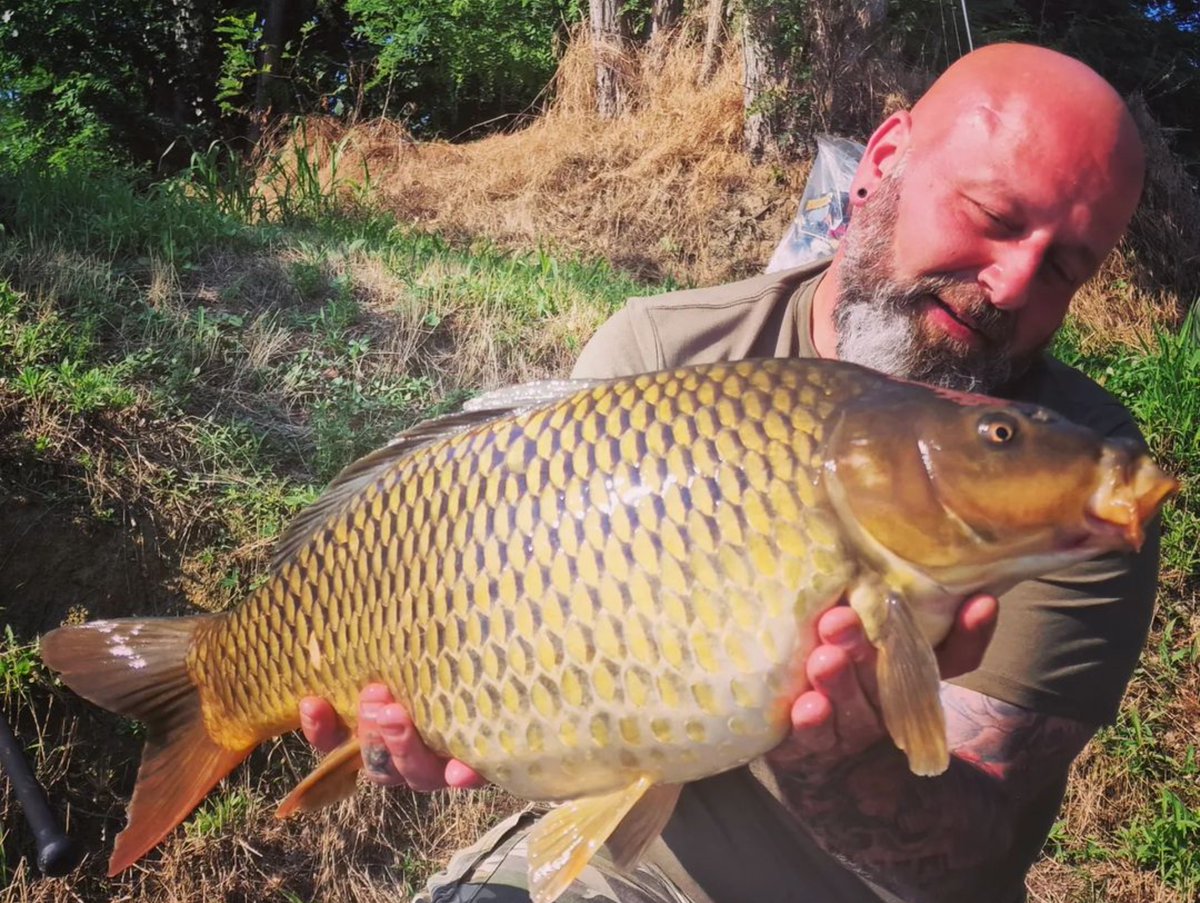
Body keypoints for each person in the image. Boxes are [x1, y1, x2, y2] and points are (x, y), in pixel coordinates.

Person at [299, 43, 1160, 902]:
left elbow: (972, 851)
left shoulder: (1063, 475)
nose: (1011, 284)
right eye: (994, 216)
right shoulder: (660, 351)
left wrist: (844, 756)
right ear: (883, 162)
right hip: (632, 870)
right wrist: (444, 724)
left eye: (1065, 267)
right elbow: (515, 643)